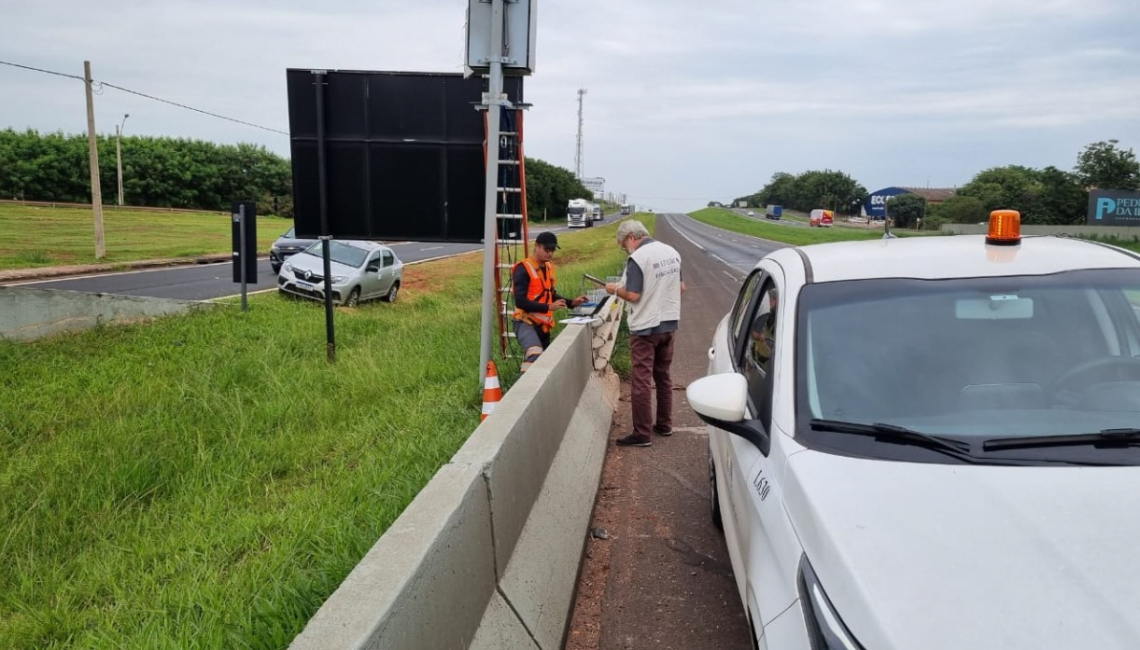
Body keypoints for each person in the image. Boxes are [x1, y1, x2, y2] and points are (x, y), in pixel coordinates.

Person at [605, 220, 685, 447]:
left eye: (623, 244)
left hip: (645, 328)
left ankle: (642, 433)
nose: (625, 249)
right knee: (663, 376)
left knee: (641, 380)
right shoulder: (672, 252)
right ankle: (664, 424)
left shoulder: (638, 258)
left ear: (631, 237)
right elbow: (681, 287)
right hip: (669, 323)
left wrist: (613, 289)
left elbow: (633, 295)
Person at [512, 231, 587, 372]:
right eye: (547, 249)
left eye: (552, 250)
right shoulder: (523, 269)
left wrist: (572, 303)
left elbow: (550, 294)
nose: (550, 254)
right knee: (535, 353)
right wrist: (548, 307)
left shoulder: (548, 267)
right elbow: (520, 302)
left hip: (543, 326)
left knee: (544, 364)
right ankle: (523, 391)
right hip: (524, 322)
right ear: (537, 246)